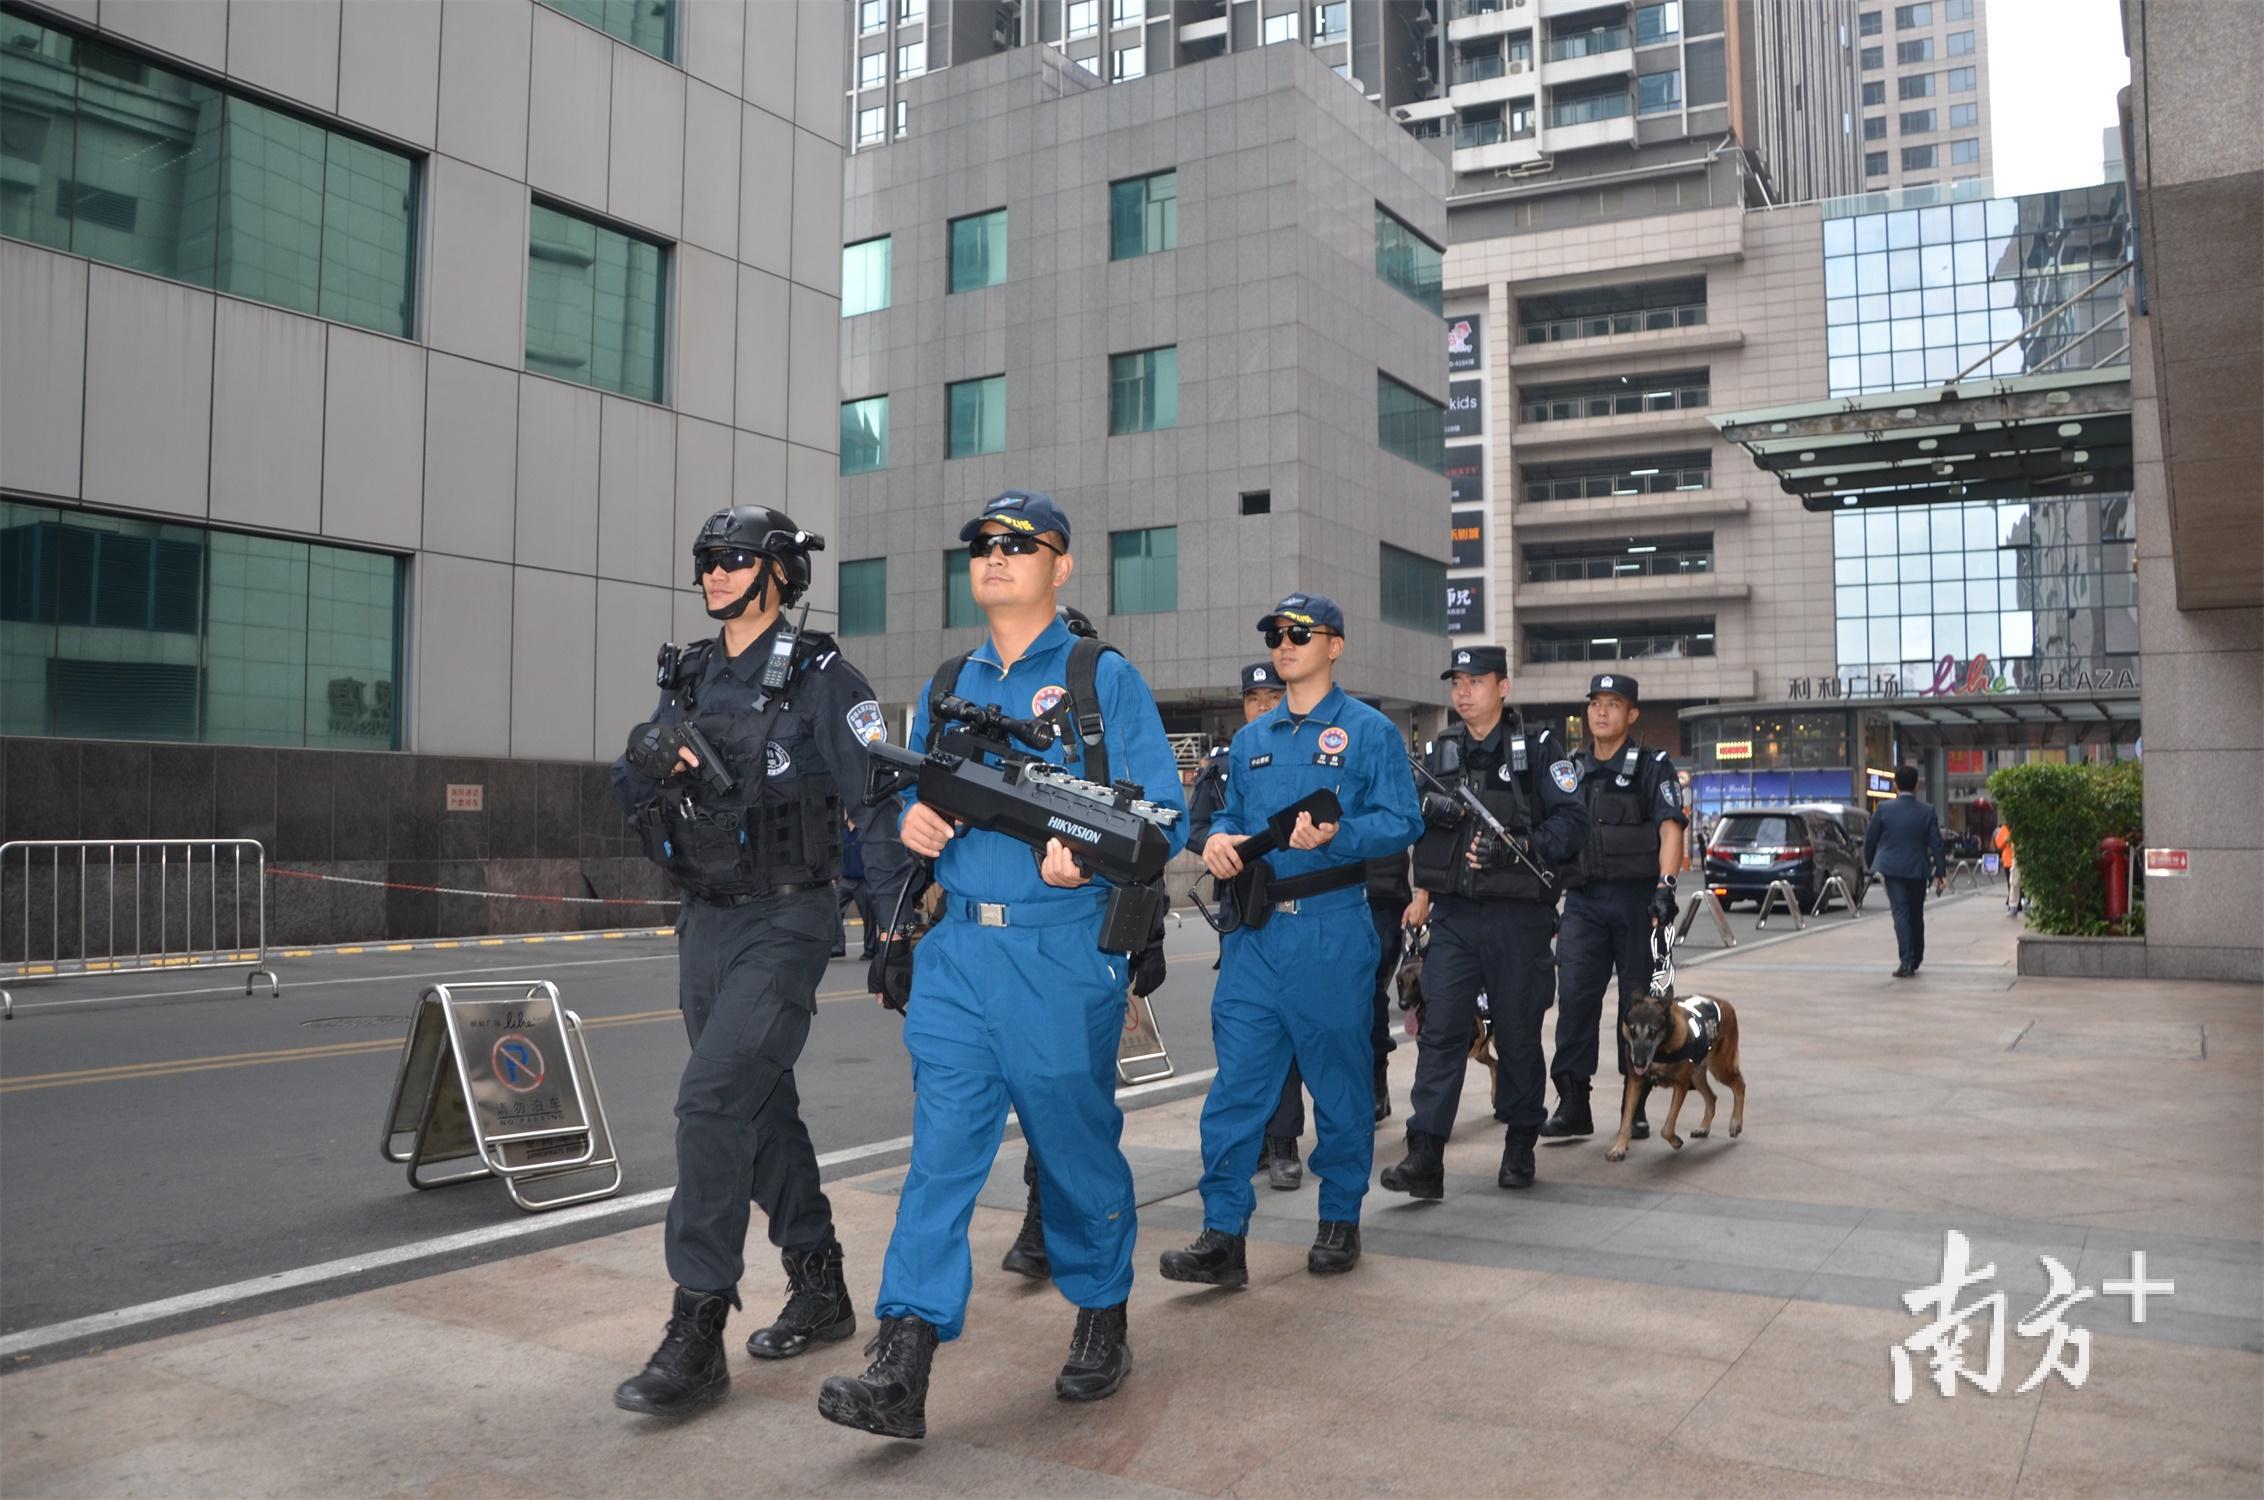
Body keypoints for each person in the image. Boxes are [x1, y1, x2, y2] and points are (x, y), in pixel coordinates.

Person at [817, 489, 1186, 1439]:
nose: (996, 555)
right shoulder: (951, 681)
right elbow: (924, 804)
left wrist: (1085, 860)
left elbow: (1163, 815)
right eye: (984, 543)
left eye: (1021, 544)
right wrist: (915, 823)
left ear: (1062, 567)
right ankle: (903, 1359)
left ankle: (1101, 1313)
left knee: (1073, 1151)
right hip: (958, 956)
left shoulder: (1102, 678)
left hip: (1059, 952)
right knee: (939, 1158)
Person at [608, 505, 908, 1418]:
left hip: (787, 921)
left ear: (780, 573)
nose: (715, 571)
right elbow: (629, 788)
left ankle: (697, 1326)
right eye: (707, 558)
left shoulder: (823, 679)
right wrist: (645, 756)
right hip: (705, 923)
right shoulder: (689, 675)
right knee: (758, 1104)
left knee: (709, 1102)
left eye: (735, 559)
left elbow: (879, 806)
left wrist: (895, 927)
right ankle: (820, 1283)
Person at [1158, 593, 1423, 1287]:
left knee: (1338, 1085)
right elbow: (1231, 817)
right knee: (1236, 1090)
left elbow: (1403, 820)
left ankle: (1339, 1218)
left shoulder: (1368, 731)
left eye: (1301, 633)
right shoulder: (1251, 741)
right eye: (1277, 633)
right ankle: (1223, 1236)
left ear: (1335, 645)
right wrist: (1220, 840)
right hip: (1256, 936)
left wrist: (1342, 833)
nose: (1285, 642)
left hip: (1331, 930)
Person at [1380, 645, 1587, 1199]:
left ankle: (1520, 1141)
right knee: (1442, 1032)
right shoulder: (1440, 751)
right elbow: (1406, 817)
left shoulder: (1538, 749)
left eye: (1475, 681)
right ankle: (1425, 1154)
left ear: (1503, 687)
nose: (1463, 692)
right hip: (1454, 917)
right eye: (1457, 682)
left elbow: (1574, 823)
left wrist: (1521, 845)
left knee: (1517, 1034)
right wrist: (1428, 815)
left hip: (1518, 919)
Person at [1541, 673, 1688, 1143]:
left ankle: (1636, 1104)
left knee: (1639, 1007)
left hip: (1637, 903)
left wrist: (1665, 887)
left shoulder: (1651, 766)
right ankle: (1573, 1103)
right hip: (1583, 901)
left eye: (1614, 704)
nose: (1602, 712)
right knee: (1575, 1001)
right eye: (1595, 703)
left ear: (1632, 714)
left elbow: (1670, 827)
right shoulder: (1570, 769)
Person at [1186, 663, 1315, 1191]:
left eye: (1271, 696)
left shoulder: (1301, 756)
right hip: (1241, 910)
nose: (1261, 707)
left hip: (1297, 909)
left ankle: (1283, 1142)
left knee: (1287, 1029)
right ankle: (1252, 1139)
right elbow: (1193, 826)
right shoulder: (1223, 764)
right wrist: (1218, 845)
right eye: (1252, 698)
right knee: (1241, 1034)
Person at [1863, 764, 1948, 977]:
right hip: (1917, 869)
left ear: (1895, 785)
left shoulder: (1883, 809)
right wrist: (1940, 872)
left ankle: (1906, 961)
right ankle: (1916, 957)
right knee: (1916, 913)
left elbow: (1870, 840)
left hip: (1891, 868)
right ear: (1917, 785)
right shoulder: (1927, 811)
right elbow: (1937, 844)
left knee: (1900, 912)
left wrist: (1870, 864)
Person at [1994, 821, 2022, 917]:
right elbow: (1998, 844)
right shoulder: (2004, 829)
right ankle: (2014, 904)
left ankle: (2016, 903)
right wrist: (2006, 840)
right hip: (2008, 861)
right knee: (2012, 883)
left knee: (2017, 883)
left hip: (2016, 858)